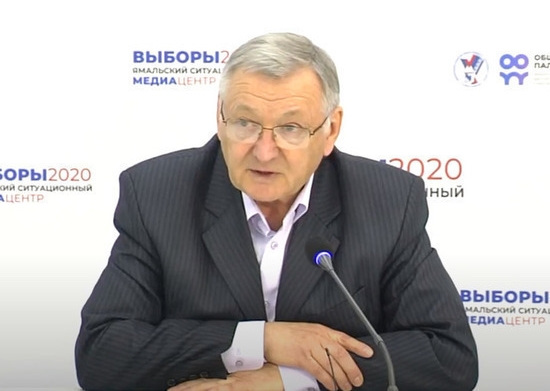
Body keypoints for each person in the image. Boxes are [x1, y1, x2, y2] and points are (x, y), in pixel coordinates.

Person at [75, 32, 478, 391]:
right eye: (245, 123)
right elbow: (102, 354)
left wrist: (291, 380)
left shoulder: (386, 201)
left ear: (331, 130)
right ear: (220, 117)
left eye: (290, 128)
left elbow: (449, 357)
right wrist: (264, 341)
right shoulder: (158, 194)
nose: (264, 152)